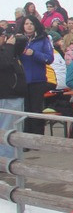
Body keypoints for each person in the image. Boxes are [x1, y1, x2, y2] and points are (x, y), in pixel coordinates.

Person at [19, 15, 55, 134]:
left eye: (31, 24)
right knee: (24, 110)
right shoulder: (18, 39)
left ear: (35, 25)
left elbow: (49, 58)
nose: (29, 26)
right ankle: (25, 138)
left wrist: (34, 53)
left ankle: (37, 137)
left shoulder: (43, 39)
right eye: (26, 24)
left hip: (37, 80)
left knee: (36, 110)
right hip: (22, 80)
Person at [0, 31, 28, 159]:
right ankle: (6, 161)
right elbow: (4, 63)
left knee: (12, 131)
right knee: (8, 131)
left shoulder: (7, 49)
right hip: (7, 96)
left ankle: (9, 159)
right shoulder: (7, 50)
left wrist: (17, 35)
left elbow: (22, 43)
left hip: (12, 95)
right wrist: (9, 46)